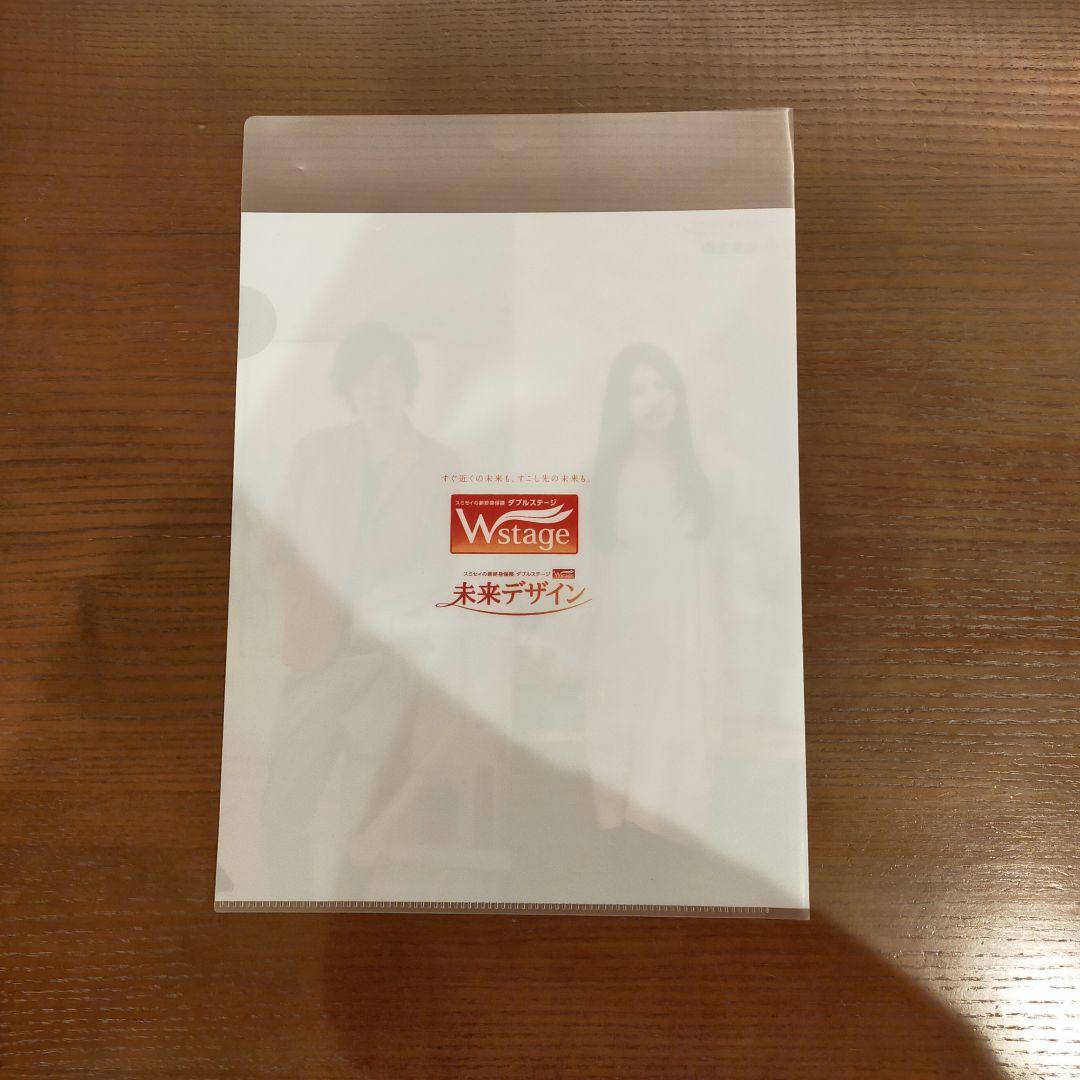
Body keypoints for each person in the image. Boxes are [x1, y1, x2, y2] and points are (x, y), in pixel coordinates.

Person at [583, 343, 720, 843]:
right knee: (618, 745)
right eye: (637, 389)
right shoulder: (601, 475)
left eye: (662, 385)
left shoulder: (698, 475)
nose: (653, 399)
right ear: (620, 403)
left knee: (675, 754)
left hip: (684, 636)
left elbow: (713, 574)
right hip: (622, 634)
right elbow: (588, 572)